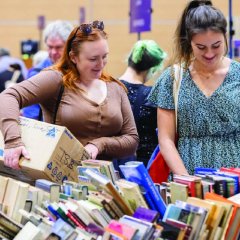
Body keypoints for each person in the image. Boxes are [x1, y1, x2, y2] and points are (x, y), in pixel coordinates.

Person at [0, 20, 139, 170]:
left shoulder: (115, 87)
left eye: (104, 56)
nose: (101, 64)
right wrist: (13, 141)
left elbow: (132, 140)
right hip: (60, 182)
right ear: (73, 57)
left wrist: (100, 145)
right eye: (93, 59)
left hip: (105, 185)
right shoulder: (56, 79)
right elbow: (8, 96)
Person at [148, 0, 240, 175]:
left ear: (225, 37)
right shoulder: (173, 78)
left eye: (216, 45)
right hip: (187, 174)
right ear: (189, 42)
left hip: (234, 179)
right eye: (201, 47)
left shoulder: (238, 74)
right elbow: (166, 140)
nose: (209, 53)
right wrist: (187, 181)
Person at [118, 40, 166, 166]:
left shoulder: (109, 88)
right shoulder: (151, 96)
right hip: (143, 168)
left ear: (130, 59)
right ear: (152, 69)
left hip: (115, 165)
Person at [22, 20, 74, 119]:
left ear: (70, 46)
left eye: (58, 47)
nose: (53, 52)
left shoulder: (80, 69)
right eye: (50, 47)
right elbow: (31, 114)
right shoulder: (37, 73)